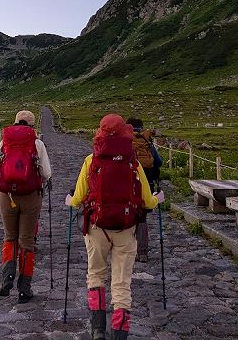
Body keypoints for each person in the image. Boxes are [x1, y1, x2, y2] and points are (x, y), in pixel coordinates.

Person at [65, 114, 164, 340]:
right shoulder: (133, 162)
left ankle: (98, 330)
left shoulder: (91, 160)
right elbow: (148, 201)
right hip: (126, 230)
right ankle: (120, 332)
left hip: (96, 228)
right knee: (122, 283)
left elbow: (78, 198)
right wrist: (159, 198)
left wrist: (69, 200)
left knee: (96, 275)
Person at [0, 109, 52, 303]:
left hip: (7, 196)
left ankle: (7, 278)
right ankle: (24, 288)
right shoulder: (37, 143)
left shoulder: (5, 142)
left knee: (10, 236)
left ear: (15, 122)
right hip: (31, 197)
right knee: (27, 240)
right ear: (33, 125)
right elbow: (47, 172)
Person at [126, 117, 163, 262]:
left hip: (128, 184)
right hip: (146, 184)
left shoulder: (125, 141)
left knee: (127, 215)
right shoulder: (146, 141)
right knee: (142, 218)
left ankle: (127, 249)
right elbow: (158, 162)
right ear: (141, 127)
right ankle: (142, 252)